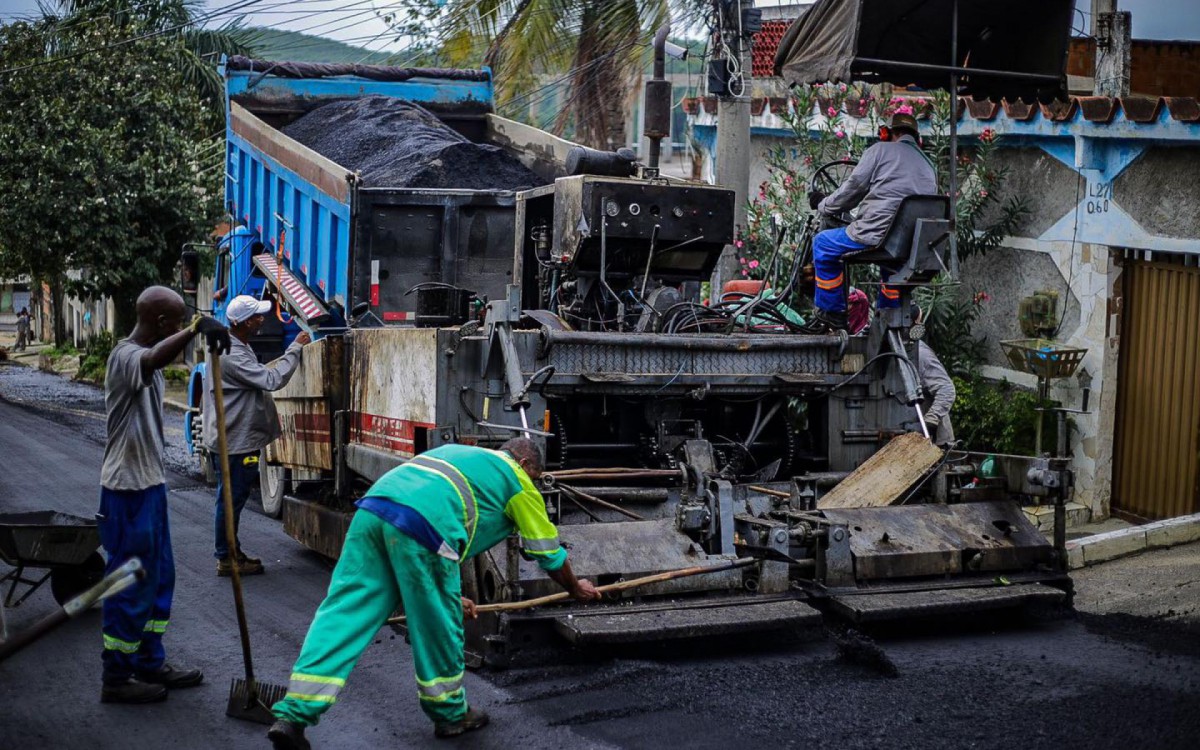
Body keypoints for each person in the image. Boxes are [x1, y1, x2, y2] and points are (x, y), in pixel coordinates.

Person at [267, 438, 602, 750]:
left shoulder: (462, 453)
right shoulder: (518, 482)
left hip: (374, 511)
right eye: (536, 475)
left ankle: (294, 714)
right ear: (526, 463)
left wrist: (449, 597)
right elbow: (547, 553)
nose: (534, 482)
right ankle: (451, 715)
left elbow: (438, 523)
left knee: (344, 613)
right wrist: (575, 587)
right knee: (438, 628)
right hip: (424, 527)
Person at [98, 286, 229, 704]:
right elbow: (153, 358)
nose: (175, 332)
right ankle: (116, 677)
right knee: (129, 583)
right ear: (160, 324)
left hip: (150, 486)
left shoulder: (147, 362)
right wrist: (194, 329)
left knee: (159, 579)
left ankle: (149, 662)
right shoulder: (125, 357)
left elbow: (159, 359)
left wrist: (193, 331)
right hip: (125, 489)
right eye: (173, 324)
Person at [202, 295, 310, 576]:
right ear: (243, 322)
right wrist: (295, 350)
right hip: (235, 441)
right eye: (257, 316)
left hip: (233, 436)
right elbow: (271, 380)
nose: (262, 319)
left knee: (230, 499)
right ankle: (226, 557)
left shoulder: (233, 344)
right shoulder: (233, 355)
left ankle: (230, 552)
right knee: (230, 500)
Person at [800, 112, 937, 334]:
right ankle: (888, 315)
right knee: (891, 266)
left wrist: (823, 204)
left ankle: (833, 313)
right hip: (913, 242)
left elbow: (852, 189)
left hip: (878, 235)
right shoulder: (928, 164)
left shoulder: (879, 151)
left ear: (887, 133)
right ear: (917, 138)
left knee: (824, 244)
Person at [913, 306, 956, 446]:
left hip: (935, 443)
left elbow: (946, 389)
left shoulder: (920, 354)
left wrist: (930, 421)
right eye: (919, 321)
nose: (920, 326)